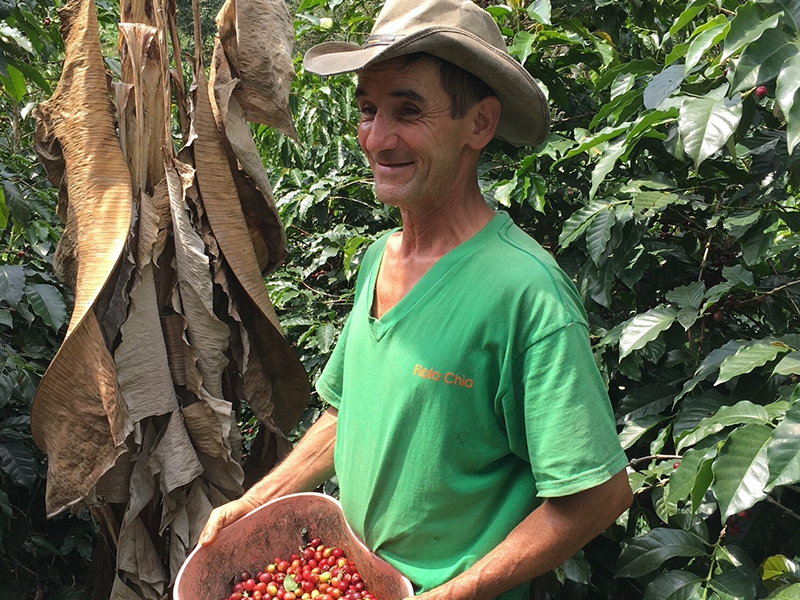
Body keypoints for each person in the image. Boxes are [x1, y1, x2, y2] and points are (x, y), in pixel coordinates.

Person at [199, 0, 633, 598]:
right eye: (369, 110)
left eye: (408, 110)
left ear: (479, 124)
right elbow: (346, 410)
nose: (377, 138)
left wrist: (450, 594)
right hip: (356, 578)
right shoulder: (379, 257)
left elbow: (598, 496)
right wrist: (255, 501)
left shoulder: (526, 294)